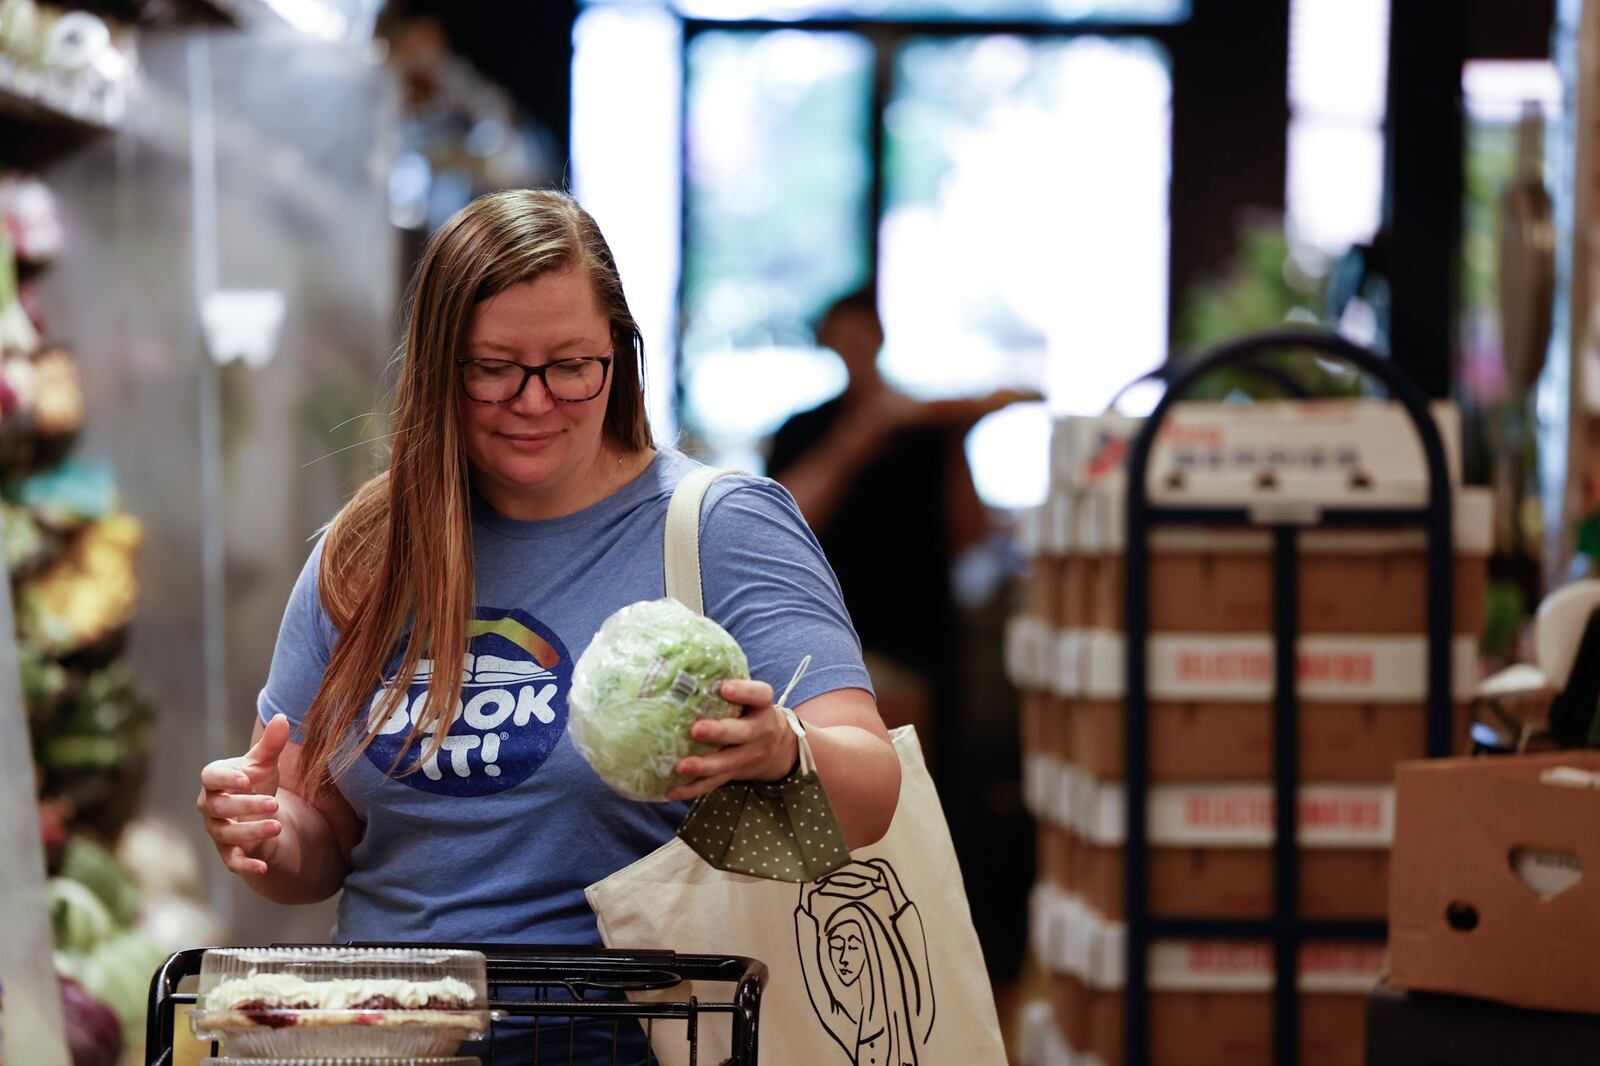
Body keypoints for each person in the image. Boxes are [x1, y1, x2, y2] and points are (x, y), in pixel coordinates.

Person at [194, 189, 901, 1064]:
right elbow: (323, 843)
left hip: (631, 1042)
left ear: (620, 355)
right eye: (493, 367)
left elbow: (872, 792)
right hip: (390, 1041)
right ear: (437, 369)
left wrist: (783, 748)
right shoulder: (368, 551)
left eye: (571, 364)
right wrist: (266, 827)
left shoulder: (719, 527)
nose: (534, 401)